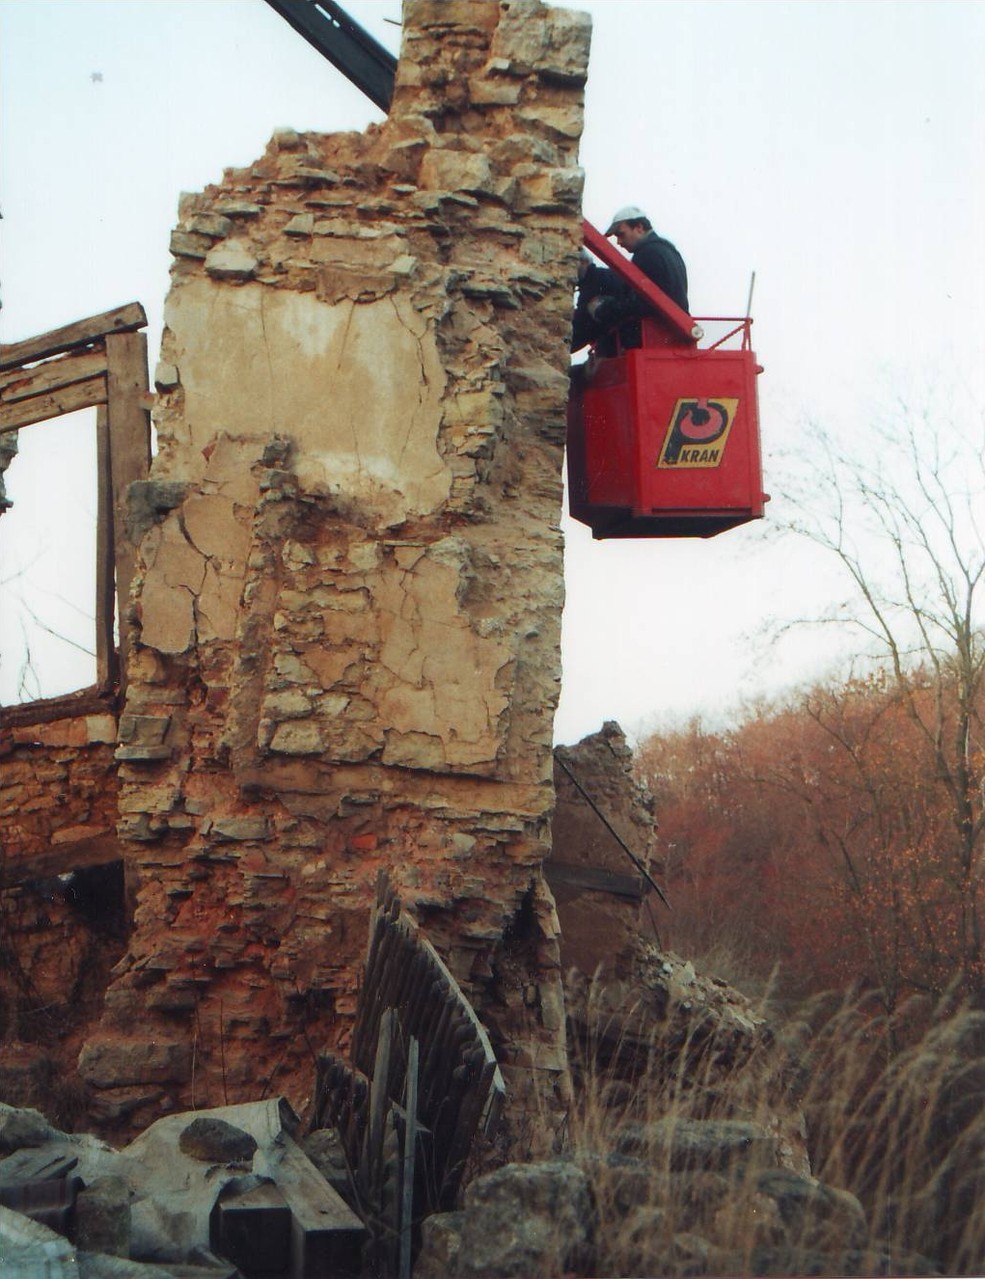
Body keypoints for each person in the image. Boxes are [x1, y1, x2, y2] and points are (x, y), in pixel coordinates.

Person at [571, 205, 689, 353]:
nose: (619, 242)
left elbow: (644, 302)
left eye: (621, 234)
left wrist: (605, 309)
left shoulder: (647, 254)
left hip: (652, 334)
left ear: (639, 227)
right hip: (670, 332)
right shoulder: (668, 251)